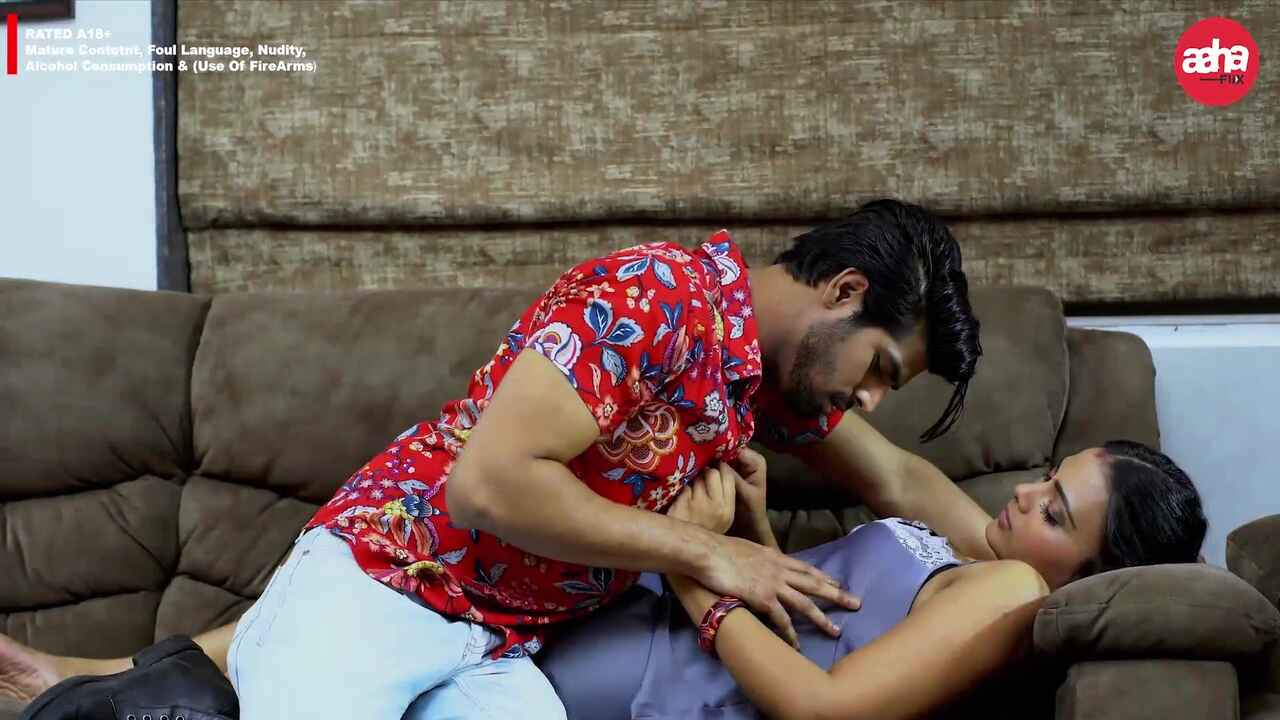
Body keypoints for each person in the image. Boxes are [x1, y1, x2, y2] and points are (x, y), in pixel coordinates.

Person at [0, 199, 986, 719]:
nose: (867, 401)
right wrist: (703, 552)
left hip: (501, 643)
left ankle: (112, 691)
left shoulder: (762, 382)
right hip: (389, 579)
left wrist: (1028, 554)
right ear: (842, 292)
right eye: (877, 371)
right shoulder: (653, 299)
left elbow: (897, 480)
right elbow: (487, 484)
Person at [536, 440, 1207, 719]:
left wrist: (691, 560)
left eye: (1055, 514)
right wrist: (751, 533)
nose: (1026, 493)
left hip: (658, 673)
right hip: (659, 621)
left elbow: (822, 707)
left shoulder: (1015, 591)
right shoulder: (984, 560)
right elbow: (822, 631)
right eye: (1047, 477)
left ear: (1093, 578)